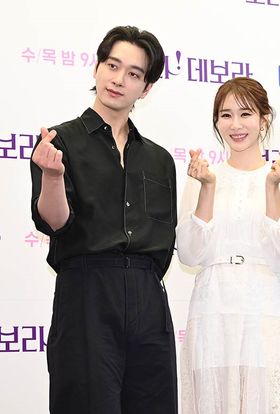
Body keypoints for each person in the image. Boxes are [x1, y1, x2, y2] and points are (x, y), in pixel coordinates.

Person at [29, 26, 177, 414]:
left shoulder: (160, 159)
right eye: (112, 65)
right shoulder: (59, 141)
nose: (119, 79)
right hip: (87, 294)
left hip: (148, 299)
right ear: (96, 67)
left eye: (133, 73)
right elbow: (55, 223)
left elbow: (165, 238)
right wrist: (53, 176)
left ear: (145, 88)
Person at [176, 76, 280, 414]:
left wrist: (272, 188)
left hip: (265, 311)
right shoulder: (202, 176)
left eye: (245, 113)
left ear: (264, 119)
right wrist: (207, 188)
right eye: (226, 115)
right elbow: (190, 254)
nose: (235, 125)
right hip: (212, 309)